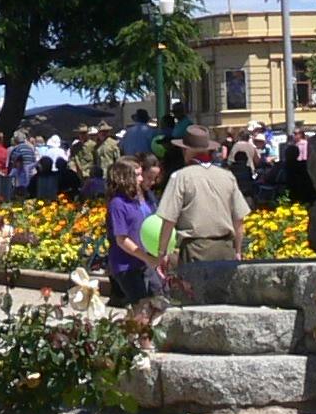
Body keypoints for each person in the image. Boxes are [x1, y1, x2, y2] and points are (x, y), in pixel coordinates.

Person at [150, 126, 249, 282]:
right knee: (223, 302)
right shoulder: (227, 176)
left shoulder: (180, 177)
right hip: (225, 250)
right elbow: (239, 220)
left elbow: (168, 219)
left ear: (186, 150)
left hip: (195, 250)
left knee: (197, 300)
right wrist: (237, 251)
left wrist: (162, 254)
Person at [101, 159, 167, 311]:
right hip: (127, 265)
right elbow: (122, 240)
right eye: (137, 175)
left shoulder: (139, 199)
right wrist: (148, 258)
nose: (141, 178)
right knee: (142, 307)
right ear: (125, 177)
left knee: (159, 300)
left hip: (144, 262)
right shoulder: (118, 203)